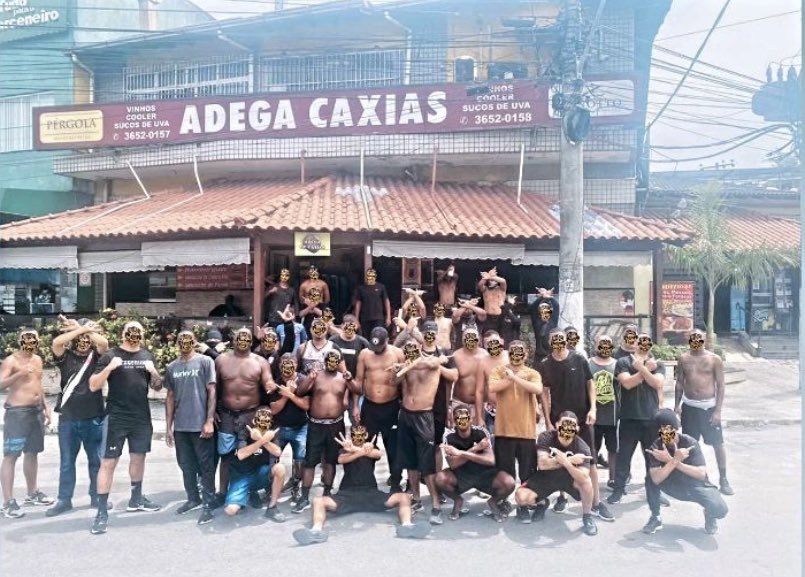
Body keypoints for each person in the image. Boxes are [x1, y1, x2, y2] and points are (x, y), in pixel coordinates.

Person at [292, 425, 431, 545]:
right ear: (350, 436)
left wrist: (361, 450)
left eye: (361, 435)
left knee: (404, 497)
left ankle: (407, 526)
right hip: (346, 495)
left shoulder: (371, 448)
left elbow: (378, 454)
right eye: (354, 435)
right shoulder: (344, 450)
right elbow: (341, 460)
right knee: (318, 501)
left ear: (366, 436)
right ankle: (316, 531)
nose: (358, 437)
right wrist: (355, 450)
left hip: (371, 494)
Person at [88, 321, 163, 534]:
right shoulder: (110, 355)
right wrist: (110, 368)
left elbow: (158, 386)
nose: (134, 333)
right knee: (108, 463)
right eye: (130, 330)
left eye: (137, 331)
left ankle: (136, 498)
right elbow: (93, 384)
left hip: (140, 416)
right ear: (122, 334)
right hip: (117, 417)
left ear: (141, 334)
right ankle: (102, 511)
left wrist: (154, 371)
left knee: (139, 457)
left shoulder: (147, 356)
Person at [539, 328, 613, 521]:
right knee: (561, 458)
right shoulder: (545, 364)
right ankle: (562, 497)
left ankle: (596, 503)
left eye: (561, 339)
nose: (558, 342)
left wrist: (593, 409)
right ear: (549, 341)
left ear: (566, 341)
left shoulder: (579, 358)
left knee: (591, 460)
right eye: (554, 339)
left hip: (582, 417)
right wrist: (548, 421)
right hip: (559, 420)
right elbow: (544, 394)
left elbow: (591, 384)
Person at [47, 317, 109, 517]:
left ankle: (97, 497)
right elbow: (57, 343)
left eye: (86, 338)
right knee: (66, 462)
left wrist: (84, 329)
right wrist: (80, 328)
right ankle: (64, 500)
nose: (83, 341)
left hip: (94, 416)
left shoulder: (97, 356)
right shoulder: (65, 356)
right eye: (79, 338)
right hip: (68, 418)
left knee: (96, 461)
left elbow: (104, 343)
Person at [394, 338, 454, 524]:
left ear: (419, 348)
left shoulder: (431, 363)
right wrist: (401, 369)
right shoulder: (406, 365)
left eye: (413, 348)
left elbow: (448, 370)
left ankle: (436, 505)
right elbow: (393, 381)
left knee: (427, 466)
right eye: (407, 349)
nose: (410, 351)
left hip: (424, 417)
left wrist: (432, 360)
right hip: (405, 416)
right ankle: (417, 499)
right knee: (410, 463)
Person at [292, 348, 358, 513]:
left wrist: (350, 380)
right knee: (310, 462)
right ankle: (304, 497)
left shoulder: (343, 378)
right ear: (325, 360)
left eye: (336, 360)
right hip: (316, 424)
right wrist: (309, 378)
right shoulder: (317, 375)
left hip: (336, 425)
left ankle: (327, 492)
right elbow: (300, 392)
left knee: (330, 461)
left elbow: (358, 391)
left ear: (339, 362)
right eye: (329, 359)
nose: (332, 363)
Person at [643, 409, 729, 535]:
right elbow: (656, 479)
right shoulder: (657, 447)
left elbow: (700, 474)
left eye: (668, 430)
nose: (665, 435)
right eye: (660, 431)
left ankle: (710, 515)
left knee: (720, 509)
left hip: (694, 486)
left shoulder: (689, 442)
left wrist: (675, 462)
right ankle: (655, 517)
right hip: (672, 484)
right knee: (650, 478)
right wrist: (674, 460)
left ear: (675, 429)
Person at [214, 327, 274, 503]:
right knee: (225, 455)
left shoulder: (260, 361)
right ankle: (223, 491)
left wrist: (270, 385)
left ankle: (252, 490)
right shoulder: (221, 360)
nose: (243, 340)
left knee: (252, 453)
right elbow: (214, 389)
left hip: (251, 415)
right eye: (240, 337)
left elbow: (268, 380)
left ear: (251, 341)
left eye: (247, 337)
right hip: (226, 415)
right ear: (234, 339)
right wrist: (213, 412)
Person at [515, 411, 598, 536]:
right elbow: (542, 465)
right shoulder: (546, 437)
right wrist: (569, 459)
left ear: (577, 428)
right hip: (546, 477)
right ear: (557, 424)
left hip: (569, 479)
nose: (567, 428)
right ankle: (541, 503)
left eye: (572, 425)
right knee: (521, 497)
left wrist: (565, 462)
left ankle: (587, 517)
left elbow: (583, 477)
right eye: (564, 424)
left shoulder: (583, 447)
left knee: (586, 483)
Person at [607, 333, 666, 506]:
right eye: (641, 340)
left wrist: (642, 368)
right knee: (624, 456)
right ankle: (618, 490)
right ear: (635, 343)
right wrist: (646, 369)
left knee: (653, 458)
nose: (644, 344)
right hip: (629, 417)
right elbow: (627, 383)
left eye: (648, 341)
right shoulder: (623, 362)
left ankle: (654, 491)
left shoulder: (659, 363)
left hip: (652, 418)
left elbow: (658, 384)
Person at [165, 331, 217, 525]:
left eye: (189, 339)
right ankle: (193, 498)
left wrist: (209, 420)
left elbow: (212, 391)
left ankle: (208, 504)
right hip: (181, 426)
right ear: (177, 343)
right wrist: (169, 427)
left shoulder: (205, 362)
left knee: (206, 466)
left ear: (195, 342)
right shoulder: (172, 367)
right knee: (186, 465)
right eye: (181, 340)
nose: (185, 342)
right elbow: (169, 397)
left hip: (200, 424)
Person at [0, 329, 53, 519]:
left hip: (36, 412)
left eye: (34, 339)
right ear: (20, 341)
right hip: (17, 413)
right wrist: (18, 374)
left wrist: (46, 407)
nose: (30, 342)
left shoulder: (37, 360)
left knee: (32, 453)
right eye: (27, 339)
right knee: (11, 455)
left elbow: (38, 384)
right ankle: (8, 502)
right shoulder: (11, 361)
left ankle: (32, 493)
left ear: (38, 341)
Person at [488, 340, 543, 522]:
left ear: (526, 355)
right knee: (505, 473)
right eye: (512, 352)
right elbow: (493, 388)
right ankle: (503, 502)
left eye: (520, 352)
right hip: (504, 431)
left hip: (526, 432)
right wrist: (508, 377)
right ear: (508, 353)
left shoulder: (532, 373)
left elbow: (537, 389)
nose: (516, 355)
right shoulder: (499, 370)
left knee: (527, 473)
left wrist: (515, 378)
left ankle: (524, 505)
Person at [674, 328, 734, 495]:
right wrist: (676, 406)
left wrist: (718, 411)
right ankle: (696, 478)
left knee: (717, 444)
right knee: (689, 444)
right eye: (693, 337)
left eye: (699, 338)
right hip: (689, 407)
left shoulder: (714, 359)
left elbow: (721, 385)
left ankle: (723, 479)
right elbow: (679, 382)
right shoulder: (684, 358)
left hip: (709, 408)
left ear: (705, 340)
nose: (696, 340)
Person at [435, 405, 515, 522]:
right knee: (440, 478)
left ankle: (493, 501)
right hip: (461, 475)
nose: (462, 421)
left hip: (485, 474)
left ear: (471, 419)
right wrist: (475, 448)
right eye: (458, 418)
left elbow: (490, 460)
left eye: (465, 417)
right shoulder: (449, 436)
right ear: (453, 420)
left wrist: (460, 453)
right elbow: (453, 464)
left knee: (509, 482)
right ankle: (458, 500)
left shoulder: (481, 432)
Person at [355, 327, 406, 492]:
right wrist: (355, 405)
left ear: (387, 341)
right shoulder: (364, 354)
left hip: (391, 406)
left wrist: (398, 373)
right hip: (369, 407)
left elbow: (403, 382)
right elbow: (359, 381)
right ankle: (365, 482)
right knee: (366, 445)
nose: (376, 350)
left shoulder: (397, 353)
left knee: (393, 446)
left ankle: (396, 481)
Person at [223, 407, 286, 521]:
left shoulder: (272, 432)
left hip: (260, 474)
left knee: (280, 468)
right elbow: (241, 454)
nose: (263, 423)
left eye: (267, 421)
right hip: (242, 476)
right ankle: (246, 495)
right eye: (260, 420)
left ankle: (272, 507)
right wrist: (260, 441)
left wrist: (264, 440)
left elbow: (277, 452)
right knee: (230, 510)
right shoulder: (246, 431)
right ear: (254, 421)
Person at [268, 353, 310, 503]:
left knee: (300, 460)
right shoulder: (275, 383)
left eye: (291, 363)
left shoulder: (304, 380)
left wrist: (292, 395)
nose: (287, 367)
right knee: (273, 459)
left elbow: (306, 405)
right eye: (284, 364)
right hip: (279, 427)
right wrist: (286, 395)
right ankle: (271, 489)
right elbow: (273, 410)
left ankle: (296, 487)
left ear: (296, 364)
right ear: (280, 366)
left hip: (300, 427)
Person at [328, 314, 370, 427]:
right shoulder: (333, 341)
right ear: (342, 326)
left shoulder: (362, 343)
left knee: (357, 420)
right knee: (333, 419)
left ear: (356, 327)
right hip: (336, 386)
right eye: (346, 327)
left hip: (355, 385)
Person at [589, 335, 619, 488]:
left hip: (613, 415)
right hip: (594, 415)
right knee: (593, 448)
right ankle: (592, 479)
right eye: (602, 343)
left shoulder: (617, 365)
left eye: (608, 344)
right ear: (595, 346)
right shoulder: (588, 364)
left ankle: (613, 479)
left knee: (613, 448)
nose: (605, 347)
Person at [450, 327, 489, 423]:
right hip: (459, 403)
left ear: (479, 339)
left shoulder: (486, 356)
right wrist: (449, 406)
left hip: (482, 404)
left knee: (481, 436)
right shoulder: (455, 356)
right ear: (462, 339)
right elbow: (449, 384)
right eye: (467, 337)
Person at [475, 331, 508, 433]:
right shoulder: (483, 362)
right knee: (493, 442)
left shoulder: (511, 357)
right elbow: (479, 391)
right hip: (492, 410)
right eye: (488, 344)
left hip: (512, 409)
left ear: (501, 341)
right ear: (484, 346)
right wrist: (479, 417)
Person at [354, 268, 392, 338]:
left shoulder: (381, 287)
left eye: (372, 276)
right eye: (369, 276)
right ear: (366, 276)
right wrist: (356, 319)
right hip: (365, 318)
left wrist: (388, 317)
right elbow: (358, 304)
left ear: (375, 276)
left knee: (378, 337)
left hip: (378, 318)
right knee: (366, 337)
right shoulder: (361, 288)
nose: (370, 278)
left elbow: (386, 301)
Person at [528, 287, 559, 364]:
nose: (544, 312)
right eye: (542, 310)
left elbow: (556, 306)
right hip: (539, 355)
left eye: (547, 311)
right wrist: (542, 297)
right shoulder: (536, 322)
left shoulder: (553, 322)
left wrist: (550, 298)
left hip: (551, 354)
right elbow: (532, 308)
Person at [299, 265, 330, 334]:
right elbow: (301, 300)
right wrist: (309, 304)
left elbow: (327, 299)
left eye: (315, 272)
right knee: (307, 331)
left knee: (321, 330)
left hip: (320, 308)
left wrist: (319, 303)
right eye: (311, 272)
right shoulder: (304, 285)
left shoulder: (323, 284)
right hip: (307, 309)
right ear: (308, 273)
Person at [477, 266, 507, 335]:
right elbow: (480, 284)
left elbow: (503, 281)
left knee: (501, 337)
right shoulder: (485, 290)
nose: (491, 281)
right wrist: (487, 276)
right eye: (489, 280)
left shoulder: (502, 289)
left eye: (493, 280)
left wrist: (491, 276)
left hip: (500, 317)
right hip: (488, 317)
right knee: (487, 335)